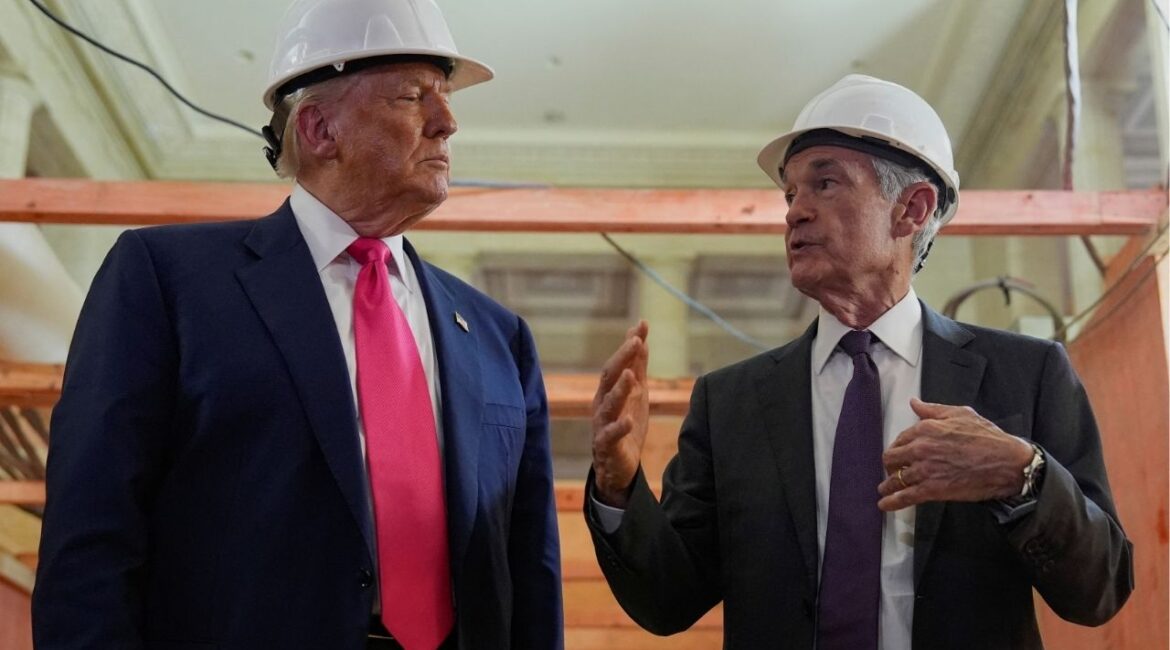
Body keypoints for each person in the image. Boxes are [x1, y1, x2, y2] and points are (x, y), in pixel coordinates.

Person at [32, 1, 563, 648]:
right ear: (318, 129)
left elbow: (530, 568)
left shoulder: (500, 337)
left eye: (445, 98)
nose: (446, 123)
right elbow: (92, 533)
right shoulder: (166, 281)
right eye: (412, 97)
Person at [585, 74, 1133, 649]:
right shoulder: (730, 403)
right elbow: (667, 600)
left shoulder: (1026, 375)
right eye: (790, 195)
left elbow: (1100, 589)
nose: (795, 213)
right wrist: (618, 486)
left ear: (912, 209)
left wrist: (1022, 476)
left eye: (825, 184)